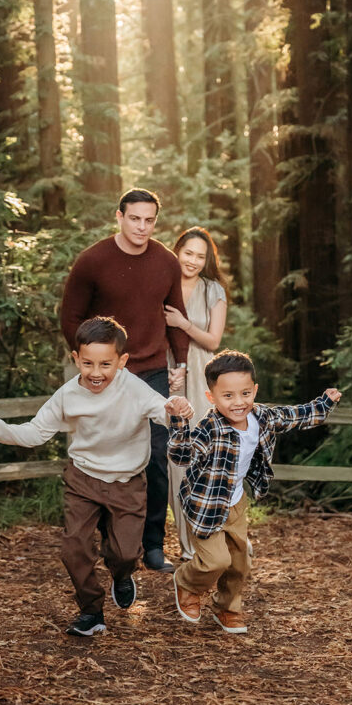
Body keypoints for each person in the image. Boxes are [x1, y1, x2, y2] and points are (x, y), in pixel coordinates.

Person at [0, 316, 193, 637]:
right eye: (87, 363)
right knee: (73, 549)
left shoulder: (133, 387)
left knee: (126, 552)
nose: (96, 373)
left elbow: (162, 409)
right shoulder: (67, 395)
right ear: (76, 359)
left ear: (122, 361)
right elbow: (34, 432)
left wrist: (176, 407)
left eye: (105, 364)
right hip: (83, 478)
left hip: (127, 481)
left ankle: (121, 572)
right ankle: (91, 611)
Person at [168, 349, 342, 635]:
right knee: (216, 561)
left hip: (236, 502)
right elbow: (181, 455)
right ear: (211, 397)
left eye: (245, 393)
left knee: (239, 562)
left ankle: (227, 607)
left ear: (255, 390)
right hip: (205, 504)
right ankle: (187, 583)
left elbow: (295, 416)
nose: (238, 403)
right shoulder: (208, 428)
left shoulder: (261, 416)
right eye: (228, 396)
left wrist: (324, 403)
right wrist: (178, 422)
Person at [60, 188, 189, 573]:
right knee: (102, 455)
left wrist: (179, 361)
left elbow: (174, 314)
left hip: (151, 374)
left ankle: (151, 546)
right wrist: (95, 366)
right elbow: (71, 317)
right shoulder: (93, 261)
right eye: (135, 218)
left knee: (155, 460)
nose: (142, 227)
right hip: (106, 378)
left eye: (149, 220)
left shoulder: (166, 261)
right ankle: (108, 540)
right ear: (119, 216)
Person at [163, 227, 228, 560]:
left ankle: (209, 537)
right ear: (177, 251)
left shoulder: (212, 290)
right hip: (170, 375)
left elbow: (214, 341)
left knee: (202, 455)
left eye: (200, 256)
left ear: (207, 261)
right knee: (176, 459)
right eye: (187, 253)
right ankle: (187, 547)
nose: (192, 261)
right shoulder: (163, 285)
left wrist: (183, 324)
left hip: (202, 377)